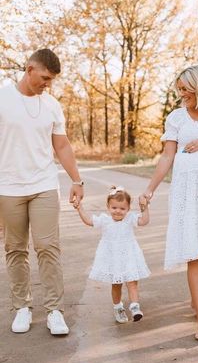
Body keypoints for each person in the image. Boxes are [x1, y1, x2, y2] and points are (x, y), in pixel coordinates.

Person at [139, 65, 198, 341]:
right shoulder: (177, 118)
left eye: (185, 89)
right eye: (179, 89)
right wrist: (149, 189)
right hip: (186, 192)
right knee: (196, 252)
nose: (181, 94)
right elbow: (167, 157)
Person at [0, 49, 84, 335]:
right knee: (15, 249)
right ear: (29, 69)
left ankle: (54, 311)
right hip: (8, 187)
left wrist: (77, 180)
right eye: (45, 78)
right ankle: (21, 307)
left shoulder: (51, 105)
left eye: (51, 80)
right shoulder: (3, 98)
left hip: (44, 185)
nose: (47, 84)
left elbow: (61, 146)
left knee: (48, 247)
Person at [73, 185, 150, 323]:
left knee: (132, 282)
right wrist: (80, 208)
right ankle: (118, 307)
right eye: (114, 208)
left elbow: (144, 221)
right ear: (108, 206)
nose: (118, 211)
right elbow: (88, 221)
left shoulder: (130, 219)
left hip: (129, 256)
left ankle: (135, 307)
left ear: (128, 209)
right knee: (116, 284)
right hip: (113, 258)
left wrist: (145, 208)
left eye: (122, 208)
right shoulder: (105, 220)